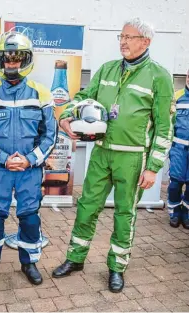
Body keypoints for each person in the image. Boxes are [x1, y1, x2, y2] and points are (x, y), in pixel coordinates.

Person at [52, 17, 174, 293]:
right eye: (121, 36)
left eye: (129, 37)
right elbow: (82, 96)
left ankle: (117, 267)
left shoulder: (160, 76)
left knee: (124, 214)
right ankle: (75, 258)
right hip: (101, 152)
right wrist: (67, 117)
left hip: (133, 158)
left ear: (146, 41)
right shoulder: (106, 69)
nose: (123, 41)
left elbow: (165, 127)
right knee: (86, 206)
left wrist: (153, 167)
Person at [0, 30, 57, 285]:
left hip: (29, 171)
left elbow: (49, 135)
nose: (12, 63)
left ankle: (28, 263)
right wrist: (3, 159)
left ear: (26, 59)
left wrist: (30, 159)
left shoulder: (42, 93)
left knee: (30, 217)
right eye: (7, 58)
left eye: (17, 57)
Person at [167, 70, 189, 228]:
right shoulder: (177, 95)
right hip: (178, 148)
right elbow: (167, 122)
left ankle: (186, 212)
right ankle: (174, 210)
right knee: (175, 182)